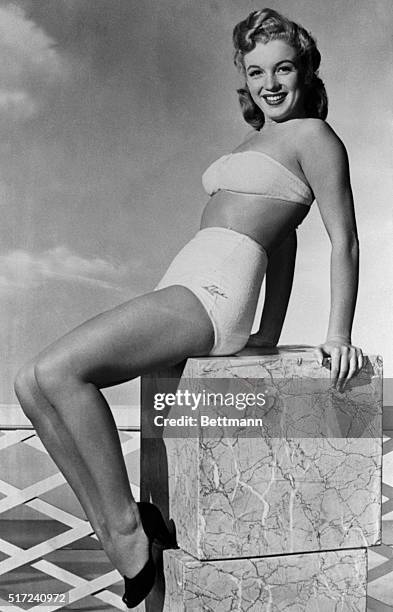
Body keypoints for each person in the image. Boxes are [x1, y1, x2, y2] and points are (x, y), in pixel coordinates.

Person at [14, 7, 363, 608]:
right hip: (192, 283)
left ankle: (128, 531)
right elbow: (285, 240)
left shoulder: (314, 137)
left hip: (211, 294)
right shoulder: (259, 140)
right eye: (257, 72)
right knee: (29, 383)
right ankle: (118, 530)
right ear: (245, 78)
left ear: (306, 70)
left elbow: (342, 239)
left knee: (60, 372)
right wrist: (267, 332)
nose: (271, 83)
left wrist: (337, 333)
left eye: (283, 68)